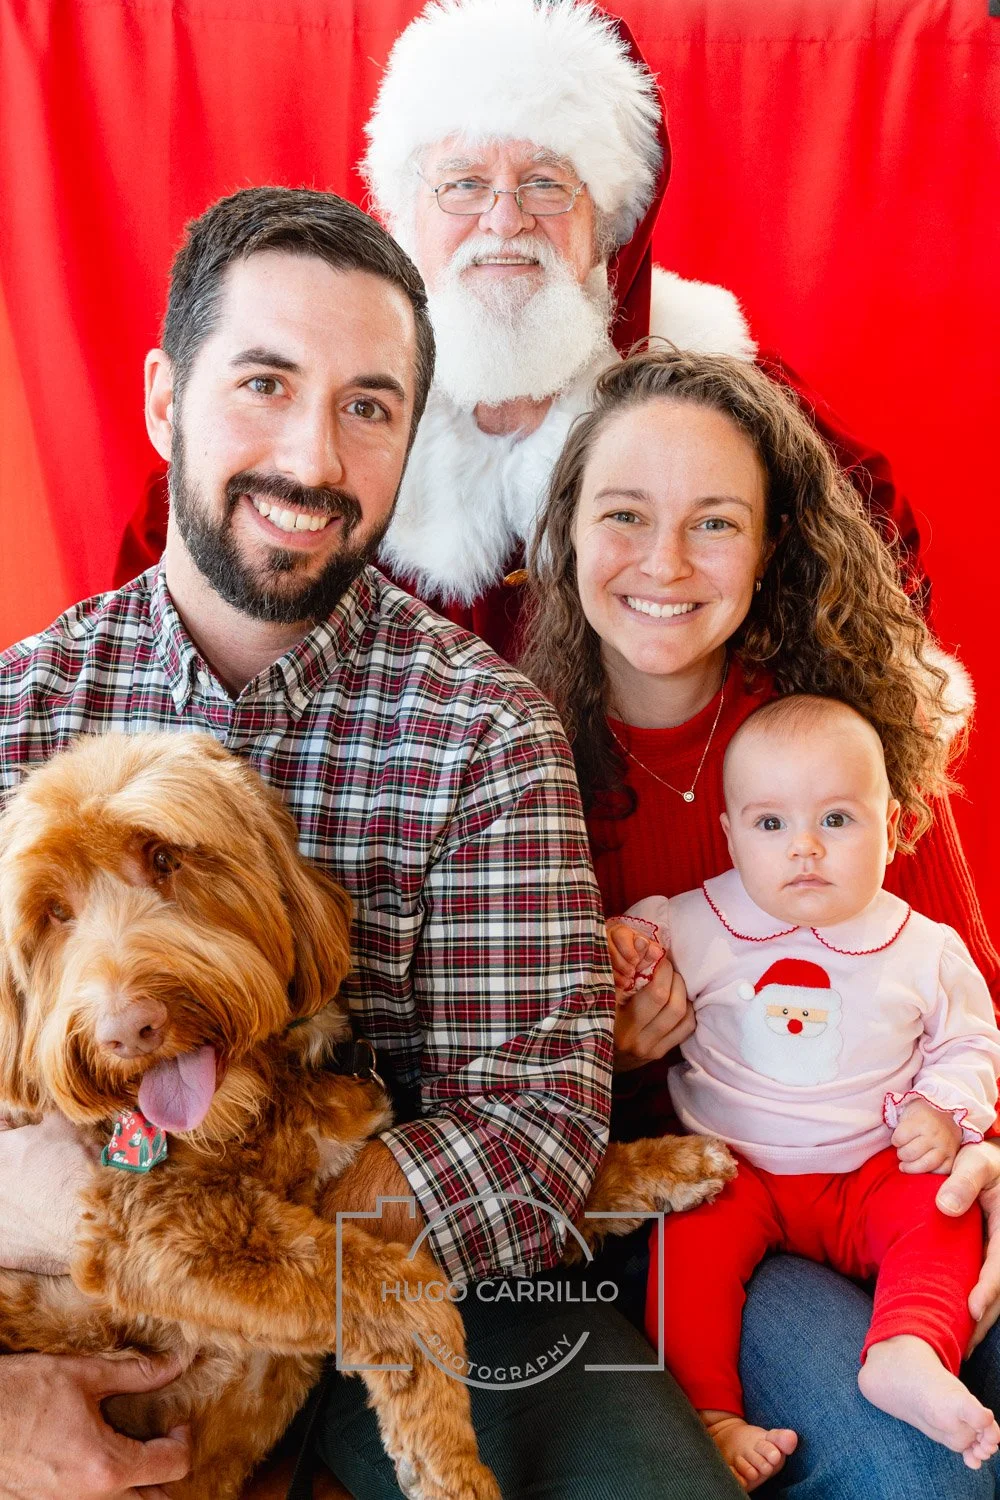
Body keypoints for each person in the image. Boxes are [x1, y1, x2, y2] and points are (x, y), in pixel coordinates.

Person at [0, 187, 741, 1500]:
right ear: (167, 398)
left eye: (369, 407)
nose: (313, 457)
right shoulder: (19, 716)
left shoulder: (483, 729)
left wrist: (250, 1254)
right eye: (266, 385)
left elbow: (537, 1121)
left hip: (420, 1267)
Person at [521, 346, 1000, 1498]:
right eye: (625, 515)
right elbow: (490, 1091)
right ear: (568, 535)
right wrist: (613, 1051)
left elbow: (963, 994)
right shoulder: (517, 755)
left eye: (716, 523)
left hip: (900, 1179)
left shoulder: (845, 741)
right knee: (919, 1475)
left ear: (772, 544)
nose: (666, 563)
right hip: (702, 1196)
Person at [114, 0, 926, 661]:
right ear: (407, 214)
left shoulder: (714, 389)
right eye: (464, 184)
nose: (504, 221)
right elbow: (167, 579)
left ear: (607, 222)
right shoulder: (321, 390)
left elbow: (870, 573)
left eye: (545, 183)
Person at [609, 695, 1000, 1488]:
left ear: (891, 822)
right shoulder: (699, 920)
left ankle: (907, 1348)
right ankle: (708, 1412)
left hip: (869, 1173)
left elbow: (969, 1038)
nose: (806, 850)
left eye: (837, 821)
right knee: (682, 1249)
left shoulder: (923, 947)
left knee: (943, 1209)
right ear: (728, 834)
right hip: (733, 1171)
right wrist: (618, 957)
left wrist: (944, 1109)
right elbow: (627, 945)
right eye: (771, 826)